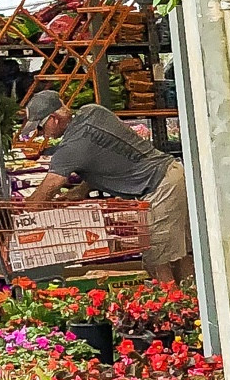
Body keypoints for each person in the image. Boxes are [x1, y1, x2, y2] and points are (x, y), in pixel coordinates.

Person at [19, 89, 192, 284]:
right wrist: (82, 189)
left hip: (158, 188)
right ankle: (194, 303)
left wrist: (19, 218)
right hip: (174, 173)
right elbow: (110, 152)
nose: (41, 135)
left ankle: (173, 306)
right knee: (180, 255)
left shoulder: (71, 148)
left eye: (41, 129)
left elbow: (48, 188)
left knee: (158, 262)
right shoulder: (93, 111)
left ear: (53, 119)